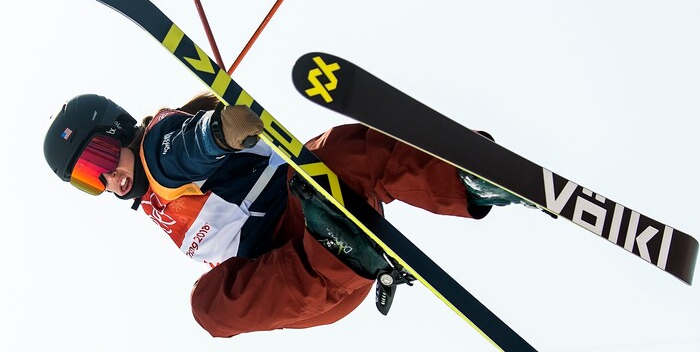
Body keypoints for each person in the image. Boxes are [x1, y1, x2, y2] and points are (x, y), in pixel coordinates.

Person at [43, 92, 528, 337]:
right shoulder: (150, 199)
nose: (107, 180)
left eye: (98, 159)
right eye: (88, 181)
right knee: (208, 306)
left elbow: (183, 150)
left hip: (307, 211)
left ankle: (465, 176)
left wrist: (216, 132)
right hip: (305, 273)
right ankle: (349, 252)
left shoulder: (155, 147)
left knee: (338, 154)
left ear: (118, 129)